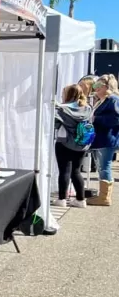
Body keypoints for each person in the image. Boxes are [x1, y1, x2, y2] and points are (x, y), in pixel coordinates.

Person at [52, 84, 93, 208]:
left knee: (64, 171)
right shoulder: (87, 108)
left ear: (68, 95)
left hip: (64, 143)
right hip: (82, 143)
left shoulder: (62, 109)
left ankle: (62, 199)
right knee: (76, 171)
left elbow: (56, 125)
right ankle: (81, 200)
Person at [87, 75, 119, 206]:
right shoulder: (105, 100)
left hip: (107, 138)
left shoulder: (112, 100)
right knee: (102, 167)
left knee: (104, 166)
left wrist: (96, 119)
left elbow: (116, 119)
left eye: (98, 86)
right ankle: (103, 196)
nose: (95, 89)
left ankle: (104, 197)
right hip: (102, 138)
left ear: (106, 87)